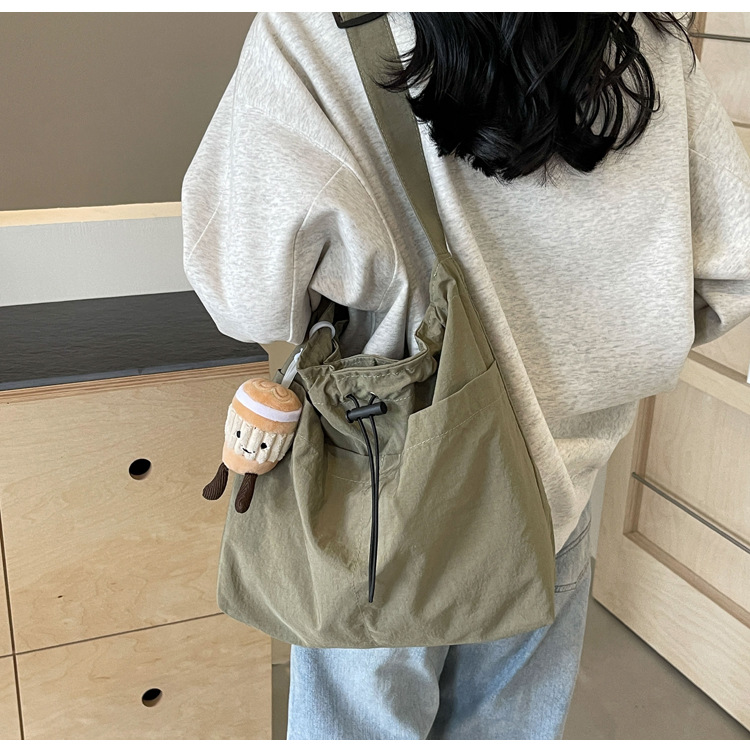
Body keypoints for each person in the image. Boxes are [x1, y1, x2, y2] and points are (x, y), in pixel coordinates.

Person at [181, 12, 750, 740]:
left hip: (381, 486)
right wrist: (589, 346)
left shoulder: (317, 27)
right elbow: (728, 272)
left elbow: (243, 291)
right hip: (562, 486)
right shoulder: (642, 37)